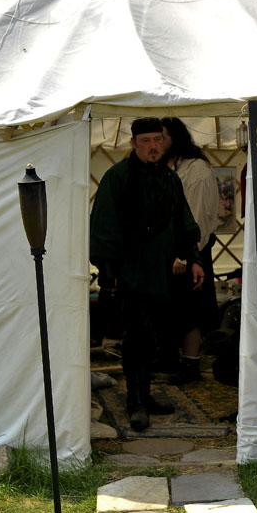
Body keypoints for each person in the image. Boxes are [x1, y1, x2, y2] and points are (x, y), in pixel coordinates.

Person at [90, 117, 204, 431]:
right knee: (136, 339)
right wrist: (109, 271)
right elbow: (104, 224)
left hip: (162, 275)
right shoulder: (117, 177)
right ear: (134, 144)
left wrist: (194, 259)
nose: (153, 146)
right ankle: (136, 403)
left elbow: (185, 222)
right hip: (131, 274)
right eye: (146, 141)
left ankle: (144, 394)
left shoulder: (170, 178)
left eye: (158, 140)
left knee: (154, 337)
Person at [161, 117, 220, 383]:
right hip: (171, 251)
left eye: (162, 138)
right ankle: (173, 359)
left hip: (192, 250)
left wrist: (187, 255)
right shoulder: (167, 167)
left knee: (191, 309)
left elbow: (197, 216)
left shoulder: (196, 170)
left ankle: (191, 364)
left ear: (176, 138)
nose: (158, 144)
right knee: (175, 307)